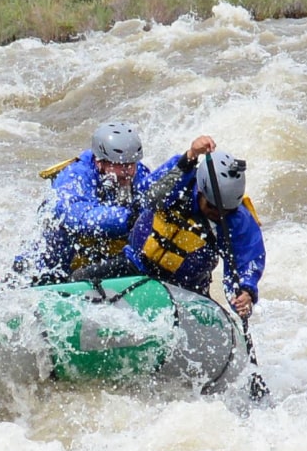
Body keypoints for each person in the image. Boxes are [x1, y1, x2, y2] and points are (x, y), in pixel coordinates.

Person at [126, 135, 263, 320]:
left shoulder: (238, 221)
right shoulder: (181, 182)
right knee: (83, 275)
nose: (219, 215)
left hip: (186, 290)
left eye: (226, 211)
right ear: (200, 191)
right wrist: (190, 155)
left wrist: (245, 292)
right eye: (213, 208)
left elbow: (245, 263)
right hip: (134, 265)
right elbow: (148, 197)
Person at [27, 120, 148, 283]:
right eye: (121, 165)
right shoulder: (74, 176)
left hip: (95, 258)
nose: (128, 171)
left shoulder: (138, 172)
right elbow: (80, 218)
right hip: (56, 257)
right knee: (57, 232)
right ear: (100, 161)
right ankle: (35, 281)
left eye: (131, 164)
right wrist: (129, 218)